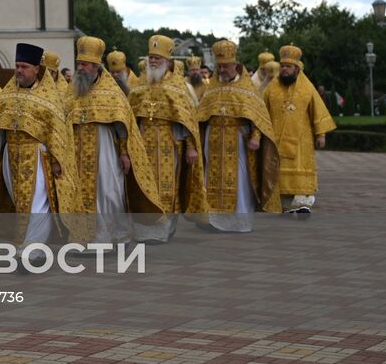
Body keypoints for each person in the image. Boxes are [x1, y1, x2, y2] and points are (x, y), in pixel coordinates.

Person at [0, 43, 76, 255]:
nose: (19, 70)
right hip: (11, 156)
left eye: (24, 66)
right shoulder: (7, 95)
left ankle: (32, 250)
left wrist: (58, 161)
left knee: (37, 204)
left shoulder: (49, 98)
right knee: (19, 203)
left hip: (38, 157)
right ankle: (23, 243)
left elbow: (57, 133)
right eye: (17, 66)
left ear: (36, 69)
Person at [65, 37, 160, 247]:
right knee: (78, 193)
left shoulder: (112, 92)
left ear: (96, 66)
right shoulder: (71, 91)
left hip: (105, 148)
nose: (80, 68)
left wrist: (124, 153)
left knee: (109, 192)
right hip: (76, 152)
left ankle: (110, 235)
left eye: (85, 65)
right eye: (79, 63)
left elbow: (122, 126)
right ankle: (82, 238)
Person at [128, 36, 206, 243]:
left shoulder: (178, 86)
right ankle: (144, 230)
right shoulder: (139, 84)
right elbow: (130, 116)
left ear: (168, 61)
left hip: (168, 144)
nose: (153, 61)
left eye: (157, 58)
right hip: (142, 144)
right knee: (143, 186)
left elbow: (187, 120)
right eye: (151, 57)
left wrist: (191, 147)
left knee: (166, 185)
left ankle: (163, 229)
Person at [196, 40, 279, 232]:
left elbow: (259, 117)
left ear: (235, 65)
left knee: (240, 181)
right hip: (213, 138)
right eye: (219, 66)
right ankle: (215, 221)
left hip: (238, 140)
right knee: (212, 178)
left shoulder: (247, 87)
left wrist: (256, 137)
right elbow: (200, 114)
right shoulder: (212, 87)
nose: (222, 70)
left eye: (225, 66)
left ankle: (238, 222)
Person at [262, 44, 336, 217]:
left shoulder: (307, 88)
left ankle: (302, 203)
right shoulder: (271, 88)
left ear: (297, 68)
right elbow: (262, 111)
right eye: (283, 66)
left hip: (302, 140)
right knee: (280, 173)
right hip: (277, 138)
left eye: (289, 67)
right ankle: (285, 205)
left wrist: (321, 134)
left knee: (301, 170)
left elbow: (317, 110)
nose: (285, 70)